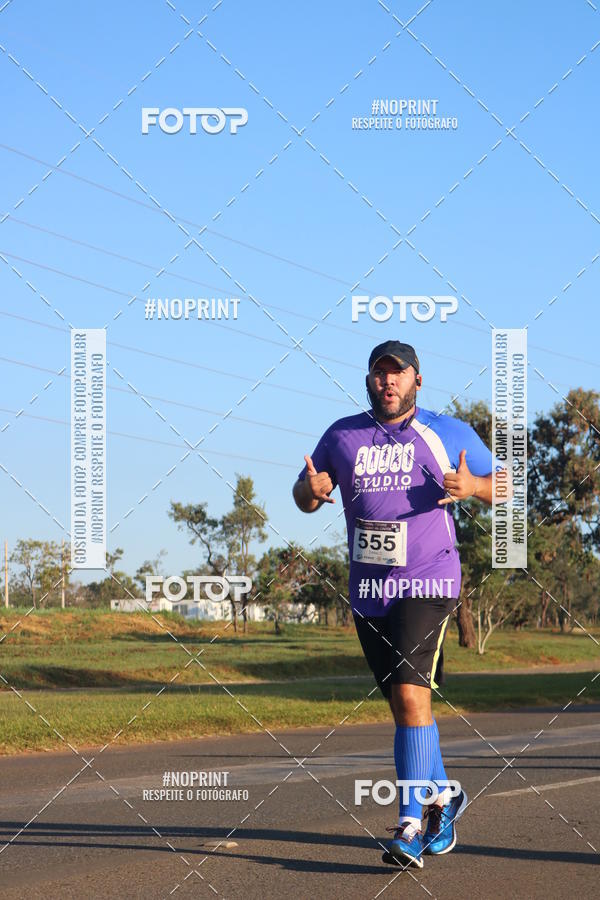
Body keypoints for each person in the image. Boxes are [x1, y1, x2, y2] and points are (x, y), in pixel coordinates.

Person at [292, 340, 500, 869]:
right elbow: (306, 491)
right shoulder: (343, 434)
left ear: (417, 381)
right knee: (407, 707)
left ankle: (409, 825)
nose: (389, 382)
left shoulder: (446, 430)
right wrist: (310, 491)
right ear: (369, 381)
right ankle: (444, 797)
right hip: (369, 590)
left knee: (410, 698)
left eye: (398, 374)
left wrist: (474, 484)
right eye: (380, 374)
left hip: (429, 582)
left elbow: (512, 485)